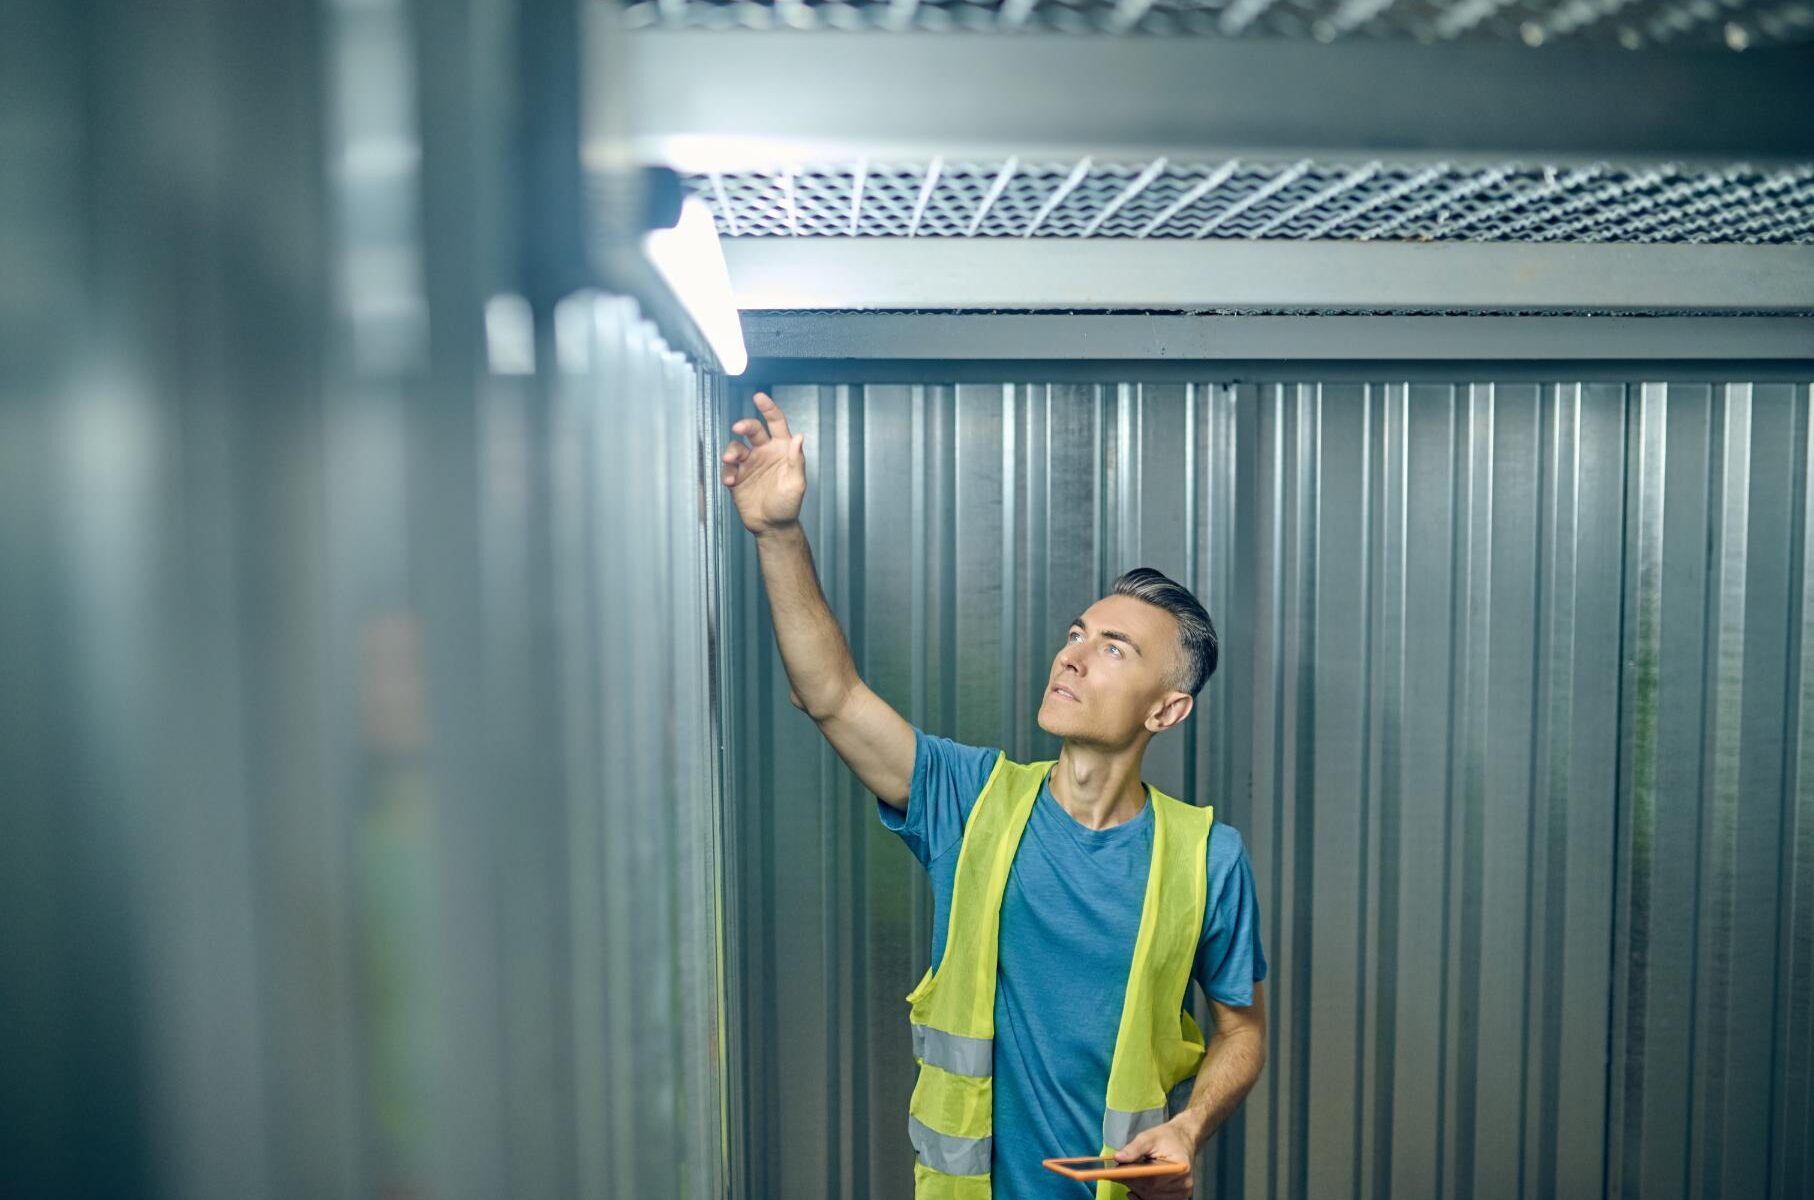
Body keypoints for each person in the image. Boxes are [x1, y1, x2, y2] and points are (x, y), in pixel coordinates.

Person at [720, 391, 1268, 1200]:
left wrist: (1187, 1127)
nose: (1073, 656)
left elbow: (1242, 1030)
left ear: (1167, 708)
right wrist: (777, 534)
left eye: (1114, 649)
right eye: (1077, 633)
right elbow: (830, 694)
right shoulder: (970, 798)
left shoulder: (1206, 857)